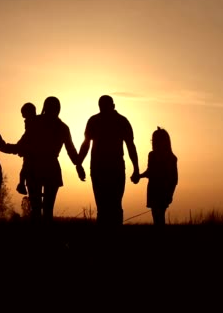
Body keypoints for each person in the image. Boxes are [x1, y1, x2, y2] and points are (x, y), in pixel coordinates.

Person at [13, 96, 85, 224]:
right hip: (50, 169)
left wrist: (15, 149)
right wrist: (78, 165)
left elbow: (23, 144)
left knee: (37, 209)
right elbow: (71, 151)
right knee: (47, 209)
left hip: (35, 168)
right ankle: (47, 238)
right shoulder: (62, 127)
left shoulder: (36, 122)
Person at [77, 95, 139, 226]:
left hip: (111, 169)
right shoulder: (114, 121)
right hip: (103, 169)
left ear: (112, 106)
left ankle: (109, 237)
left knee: (111, 205)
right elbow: (86, 144)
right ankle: (108, 238)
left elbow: (130, 145)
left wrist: (136, 168)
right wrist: (78, 164)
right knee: (107, 206)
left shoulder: (117, 121)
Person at [137, 127, 178, 226]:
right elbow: (150, 171)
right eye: (153, 140)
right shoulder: (152, 155)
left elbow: (174, 179)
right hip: (153, 190)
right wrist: (139, 176)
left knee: (159, 217)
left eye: (155, 140)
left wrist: (170, 194)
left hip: (163, 192)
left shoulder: (171, 158)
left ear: (163, 142)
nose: (153, 143)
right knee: (157, 217)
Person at [16, 102, 37, 195]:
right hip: (29, 152)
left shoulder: (31, 122)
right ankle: (22, 185)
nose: (23, 117)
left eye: (23, 114)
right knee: (23, 171)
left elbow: (27, 136)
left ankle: (21, 185)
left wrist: (19, 145)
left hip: (31, 154)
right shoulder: (32, 121)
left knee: (24, 170)